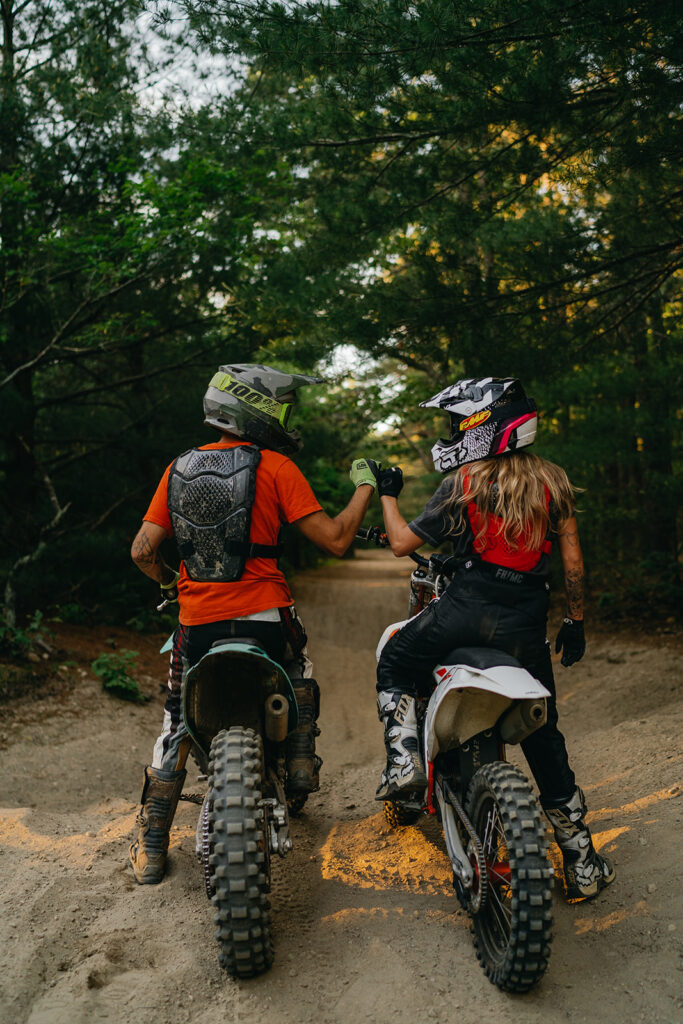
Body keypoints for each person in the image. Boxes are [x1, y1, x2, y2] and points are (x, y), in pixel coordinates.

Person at [128, 363, 379, 884]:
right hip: (266, 617)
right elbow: (335, 541)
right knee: (299, 667)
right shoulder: (277, 467)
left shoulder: (178, 469)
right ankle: (301, 763)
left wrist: (174, 584)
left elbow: (141, 550)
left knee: (176, 719)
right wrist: (364, 489)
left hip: (198, 624)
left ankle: (152, 842)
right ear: (258, 410)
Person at [373, 376, 615, 901]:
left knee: (394, 660)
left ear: (484, 425)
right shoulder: (553, 481)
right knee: (545, 734)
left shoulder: (467, 481)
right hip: (526, 621)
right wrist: (574, 621)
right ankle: (582, 863)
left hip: (466, 608)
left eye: (461, 422)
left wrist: (388, 495)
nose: (456, 431)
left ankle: (405, 765)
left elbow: (398, 544)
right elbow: (571, 562)